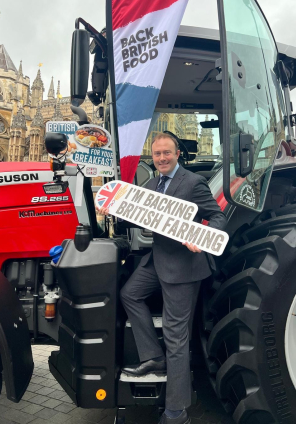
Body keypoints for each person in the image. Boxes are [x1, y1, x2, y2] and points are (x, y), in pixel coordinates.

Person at [97, 133, 227, 424]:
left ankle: (177, 412)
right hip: (158, 261)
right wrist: (111, 210)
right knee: (129, 294)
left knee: (176, 338)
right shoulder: (153, 185)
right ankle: (153, 357)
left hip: (184, 268)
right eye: (157, 154)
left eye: (167, 153)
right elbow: (137, 216)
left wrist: (202, 238)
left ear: (177, 153)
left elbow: (217, 217)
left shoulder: (193, 183)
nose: (162, 158)